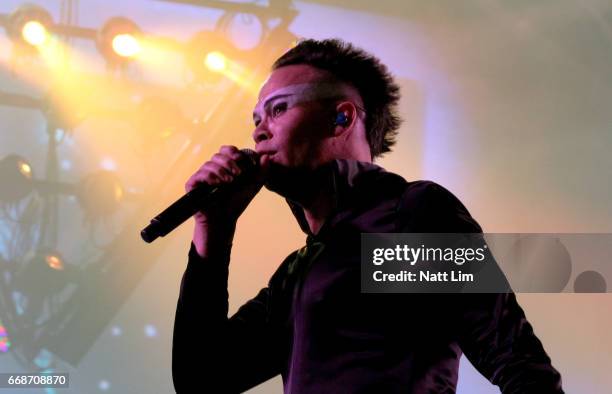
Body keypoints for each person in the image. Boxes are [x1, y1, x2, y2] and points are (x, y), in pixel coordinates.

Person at [172, 39, 564, 393]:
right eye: (256, 119)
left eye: (278, 109)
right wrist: (213, 230)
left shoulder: (408, 214)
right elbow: (201, 380)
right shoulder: (296, 275)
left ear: (341, 118)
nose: (259, 132)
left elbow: (518, 363)